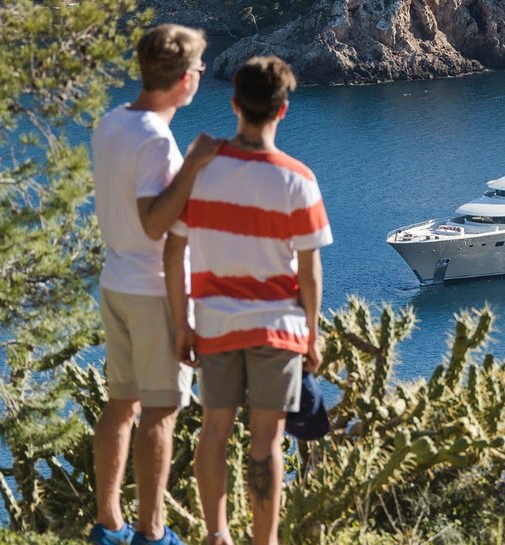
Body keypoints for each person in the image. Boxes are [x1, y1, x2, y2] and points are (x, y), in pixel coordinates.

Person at [163, 55, 332, 545]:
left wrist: (182, 324)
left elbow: (174, 251)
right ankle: (264, 541)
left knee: (214, 430)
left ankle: (217, 534)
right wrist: (312, 336)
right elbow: (310, 272)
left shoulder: (202, 173)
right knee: (266, 441)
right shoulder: (298, 179)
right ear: (282, 111)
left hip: (214, 324)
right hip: (277, 328)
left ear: (234, 104)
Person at [89, 24, 223, 545]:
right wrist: (192, 164)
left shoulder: (111, 123)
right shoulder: (156, 141)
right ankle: (152, 533)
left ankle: (108, 525)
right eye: (199, 69)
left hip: (116, 282)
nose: (202, 76)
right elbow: (153, 223)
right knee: (160, 414)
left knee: (120, 404)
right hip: (150, 291)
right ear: (184, 79)